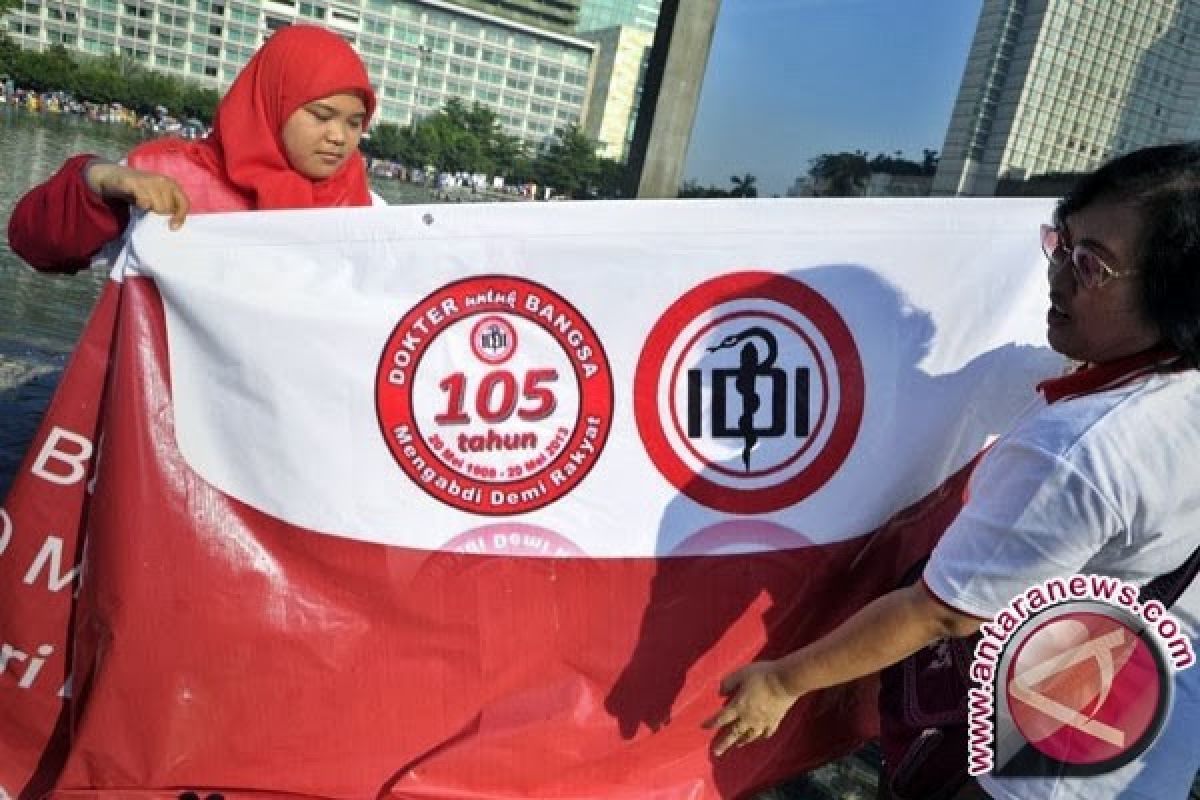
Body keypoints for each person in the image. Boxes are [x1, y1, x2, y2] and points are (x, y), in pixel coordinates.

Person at [704, 143, 1200, 799]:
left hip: (1045, 764)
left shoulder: (1077, 453)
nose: (1058, 277)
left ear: (1173, 295)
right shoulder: (1172, 392)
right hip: (1151, 733)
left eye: (1091, 265)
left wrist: (782, 682)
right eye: (1061, 243)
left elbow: (939, 615)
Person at [7, 23, 376, 274]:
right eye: (321, 115)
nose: (339, 137)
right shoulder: (162, 182)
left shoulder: (370, 214)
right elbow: (34, 243)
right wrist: (100, 180)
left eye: (354, 123)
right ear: (271, 105)